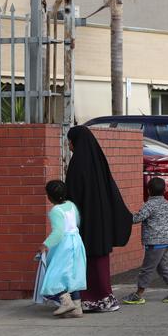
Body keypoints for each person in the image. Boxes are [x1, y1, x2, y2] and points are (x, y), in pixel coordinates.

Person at [66, 125, 133, 313]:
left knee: (87, 260)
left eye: (70, 141)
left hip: (85, 222)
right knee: (100, 259)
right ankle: (105, 297)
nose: (69, 145)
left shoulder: (77, 164)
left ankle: (92, 299)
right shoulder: (98, 162)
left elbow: (72, 196)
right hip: (100, 221)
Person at [122, 177, 168, 305]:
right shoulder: (166, 204)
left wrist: (125, 215)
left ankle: (138, 294)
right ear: (165, 191)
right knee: (162, 267)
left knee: (147, 269)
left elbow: (137, 218)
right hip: (166, 241)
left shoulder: (149, 205)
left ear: (149, 191)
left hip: (154, 243)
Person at [39, 180, 87, 318]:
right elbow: (76, 222)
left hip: (64, 245)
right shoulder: (71, 205)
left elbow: (58, 232)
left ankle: (65, 301)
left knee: (54, 274)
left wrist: (45, 244)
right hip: (76, 242)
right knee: (73, 275)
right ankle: (77, 307)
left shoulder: (55, 211)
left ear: (49, 196)